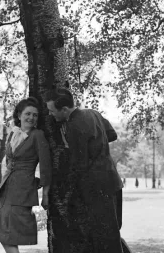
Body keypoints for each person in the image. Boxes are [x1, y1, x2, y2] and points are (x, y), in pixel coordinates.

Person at [44, 88, 128, 253]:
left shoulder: (72, 127)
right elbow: (112, 135)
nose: (50, 114)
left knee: (104, 238)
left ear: (65, 110)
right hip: (113, 180)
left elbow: (77, 165)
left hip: (95, 188)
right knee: (112, 233)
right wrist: (97, 147)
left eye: (52, 111)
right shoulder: (93, 113)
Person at [0, 97, 52, 253]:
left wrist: (45, 193)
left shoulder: (37, 135)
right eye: (28, 114)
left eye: (35, 115)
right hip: (8, 187)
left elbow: (46, 166)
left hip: (22, 190)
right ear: (19, 115)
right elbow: (10, 159)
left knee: (9, 231)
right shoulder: (14, 133)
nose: (31, 118)